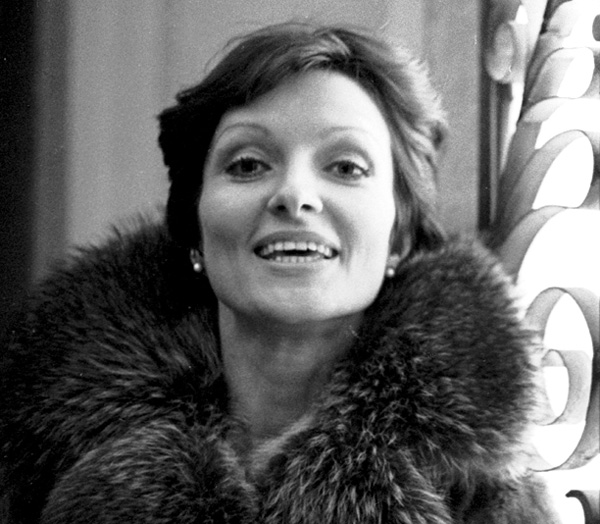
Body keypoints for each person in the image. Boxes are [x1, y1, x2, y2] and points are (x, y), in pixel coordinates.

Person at [0, 22, 561, 523]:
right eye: (247, 164)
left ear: (400, 237)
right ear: (193, 228)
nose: (294, 194)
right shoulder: (45, 460)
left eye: (346, 167)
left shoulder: (484, 494)